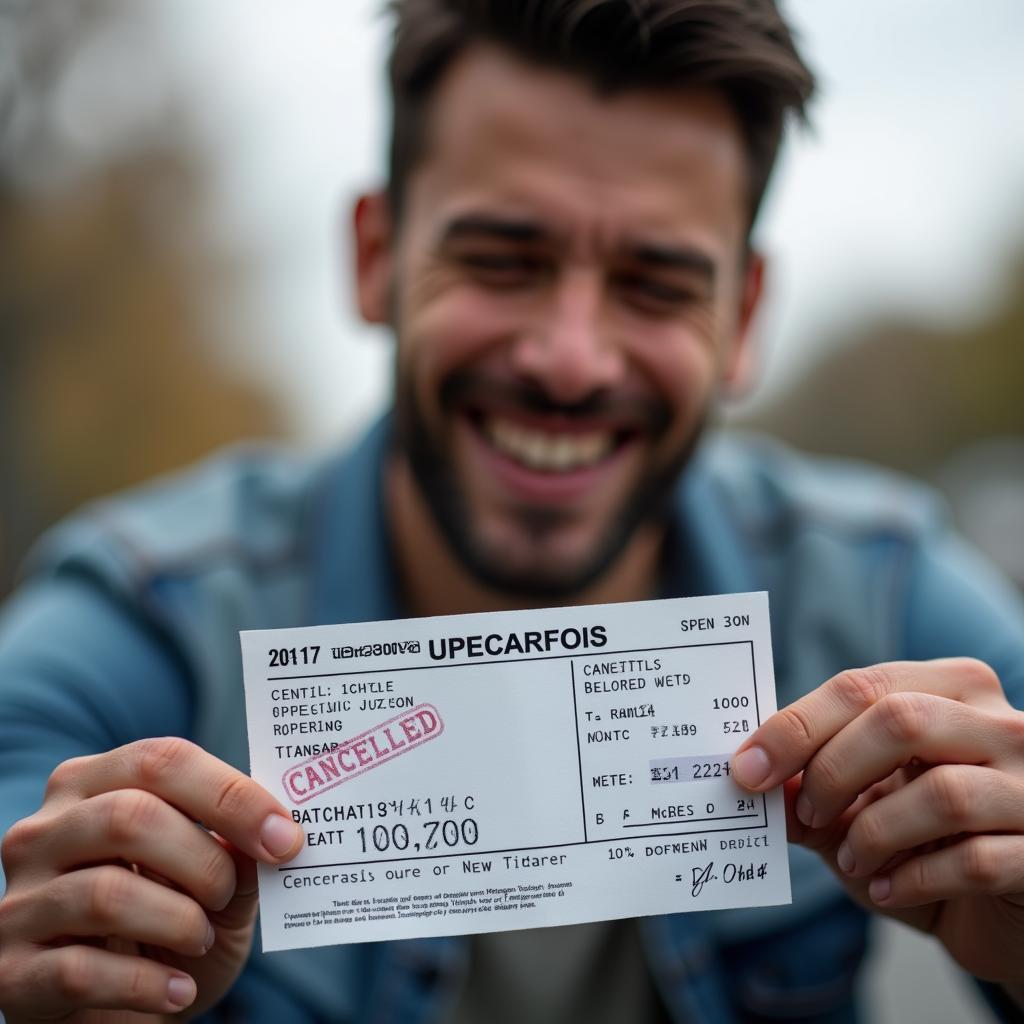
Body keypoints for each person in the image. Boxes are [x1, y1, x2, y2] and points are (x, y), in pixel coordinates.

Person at [2, 1, 1024, 1020]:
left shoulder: (889, 600)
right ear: (374, 258)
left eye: (654, 283)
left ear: (743, 316)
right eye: (502, 260)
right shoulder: (137, 627)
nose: (570, 359)